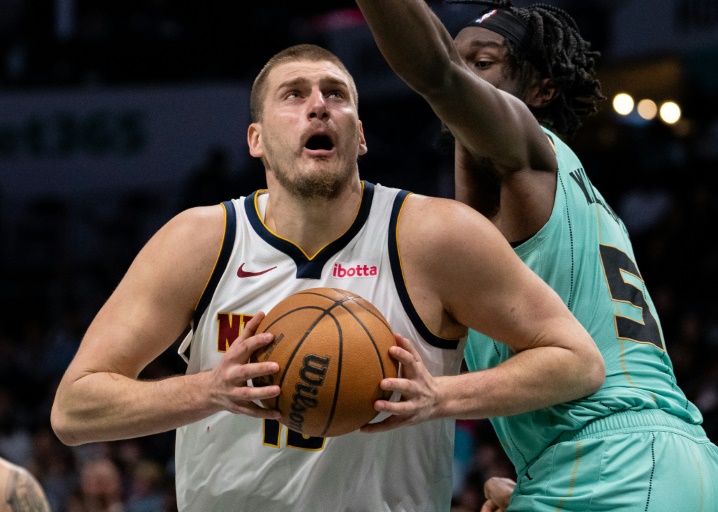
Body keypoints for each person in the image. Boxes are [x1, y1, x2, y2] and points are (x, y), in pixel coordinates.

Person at [50, 44, 604, 511]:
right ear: (256, 139)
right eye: (293, 95)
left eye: (336, 95)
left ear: (359, 136)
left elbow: (577, 362)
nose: (319, 106)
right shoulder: (201, 241)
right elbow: (75, 409)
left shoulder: (434, 235)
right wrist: (209, 388)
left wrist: (440, 395)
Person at [351, 0, 718, 510]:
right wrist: (537, 477)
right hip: (639, 463)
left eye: (481, 63)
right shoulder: (543, 201)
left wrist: (440, 396)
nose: (464, 73)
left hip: (614, 464)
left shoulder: (531, 151)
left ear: (540, 90)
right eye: (458, 58)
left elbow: (435, 72)